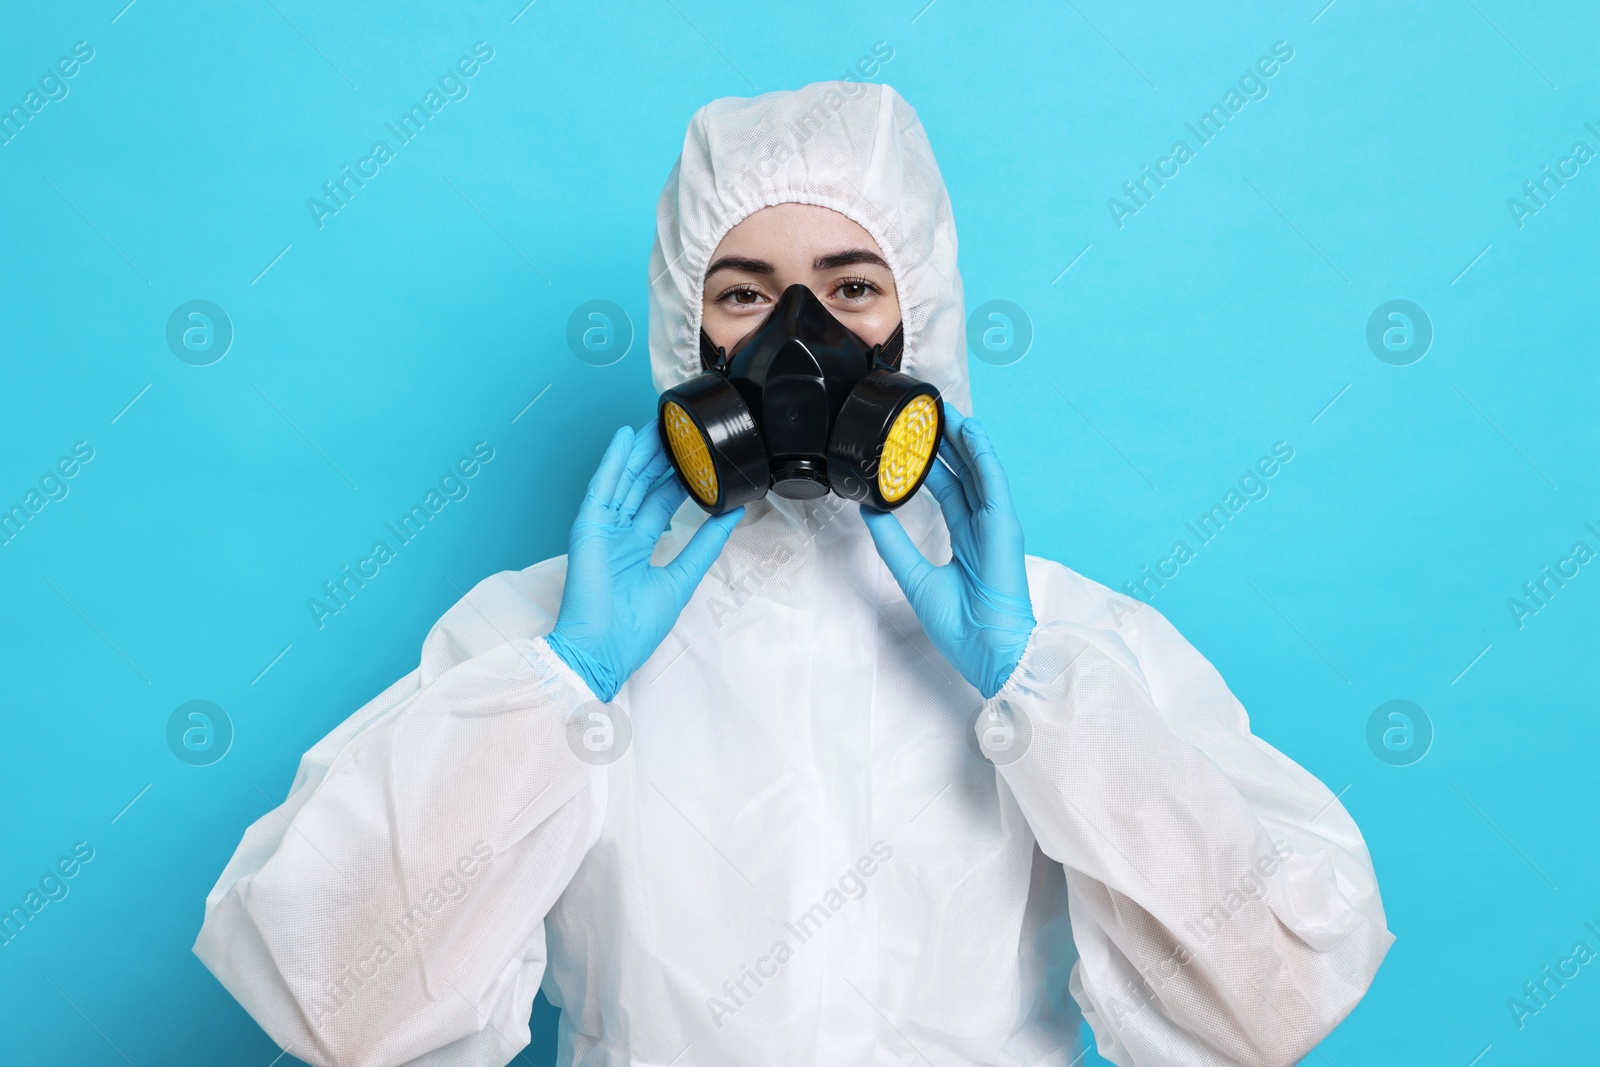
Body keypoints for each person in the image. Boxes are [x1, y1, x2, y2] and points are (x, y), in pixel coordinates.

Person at [195, 81, 1392, 1067]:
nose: (797, 337)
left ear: (922, 316)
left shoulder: (1062, 639)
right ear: (687, 334)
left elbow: (1276, 994)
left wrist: (1044, 697)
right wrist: (560, 691)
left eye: (852, 285)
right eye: (745, 293)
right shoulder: (544, 633)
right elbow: (328, 996)